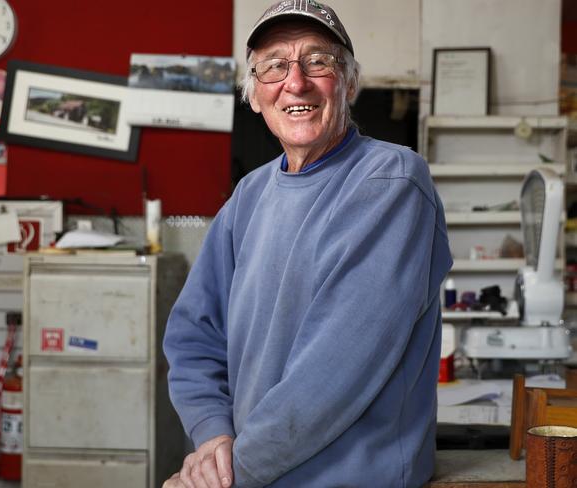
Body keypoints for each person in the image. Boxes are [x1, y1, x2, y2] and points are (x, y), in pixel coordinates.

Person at [162, 1, 452, 486]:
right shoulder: (248, 197)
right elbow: (195, 333)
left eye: (318, 61)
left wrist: (233, 475)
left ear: (351, 83)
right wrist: (212, 437)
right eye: (274, 65)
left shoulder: (391, 181)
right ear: (254, 95)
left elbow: (337, 371)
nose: (295, 82)